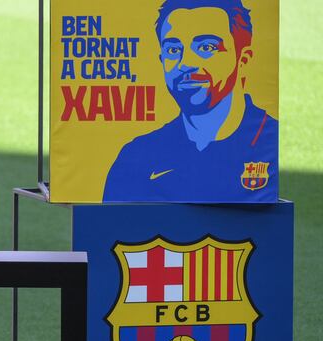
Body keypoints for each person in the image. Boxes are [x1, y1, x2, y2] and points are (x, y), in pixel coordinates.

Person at [103, 0, 278, 202]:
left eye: (206, 47)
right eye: (173, 50)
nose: (186, 62)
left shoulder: (267, 141)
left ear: (243, 58)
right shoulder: (135, 158)